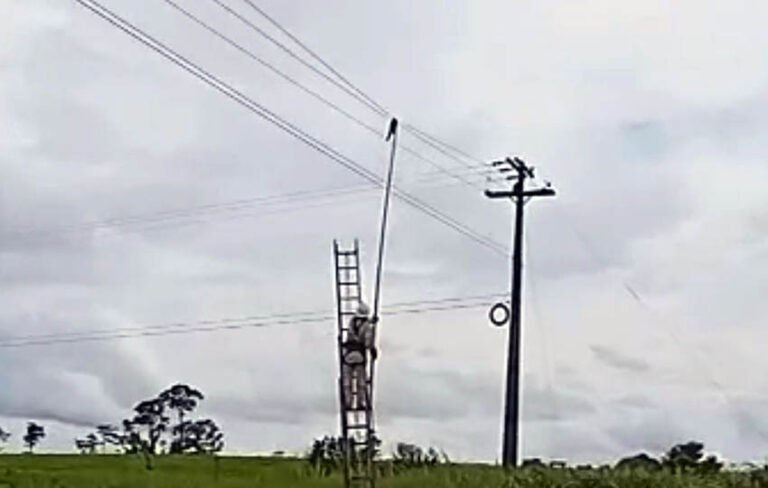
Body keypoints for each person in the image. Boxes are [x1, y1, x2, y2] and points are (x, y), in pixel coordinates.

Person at [342, 301, 378, 410]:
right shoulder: (367, 326)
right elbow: (367, 341)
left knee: (347, 383)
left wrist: (371, 321)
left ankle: (348, 403)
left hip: (347, 355)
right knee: (361, 382)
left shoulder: (352, 322)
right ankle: (360, 403)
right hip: (360, 357)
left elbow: (360, 326)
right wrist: (372, 350)